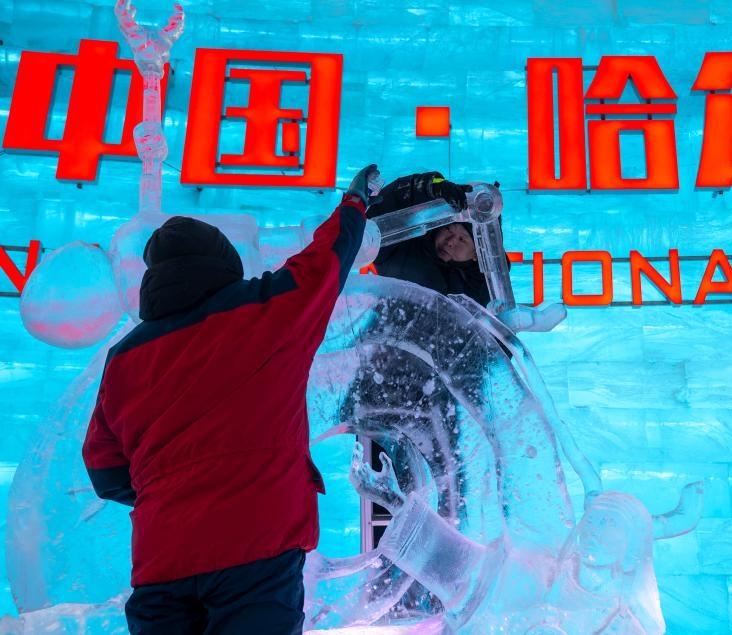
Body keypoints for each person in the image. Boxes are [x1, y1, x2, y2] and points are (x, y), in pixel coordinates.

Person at [81, 165, 377, 634]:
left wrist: (170, 495)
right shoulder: (265, 311)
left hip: (162, 561)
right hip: (256, 545)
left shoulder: (125, 357)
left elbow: (102, 469)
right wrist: (355, 205)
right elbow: (327, 261)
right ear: (225, 265)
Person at [367, 170, 488, 306]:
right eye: (448, 230)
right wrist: (430, 187)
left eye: (462, 239)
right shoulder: (402, 251)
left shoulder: (481, 285)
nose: (450, 242)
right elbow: (376, 221)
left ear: (476, 254)